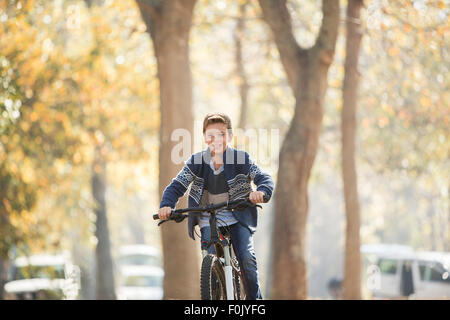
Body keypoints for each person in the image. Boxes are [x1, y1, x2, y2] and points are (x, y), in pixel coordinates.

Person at [158, 113, 275, 300]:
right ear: (204, 137)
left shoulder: (240, 158)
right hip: (208, 218)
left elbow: (263, 177)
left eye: (221, 134)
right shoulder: (196, 162)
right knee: (210, 266)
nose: (216, 140)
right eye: (210, 135)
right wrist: (166, 205)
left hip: (238, 217)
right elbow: (177, 186)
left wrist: (261, 191)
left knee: (246, 259)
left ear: (229, 137)